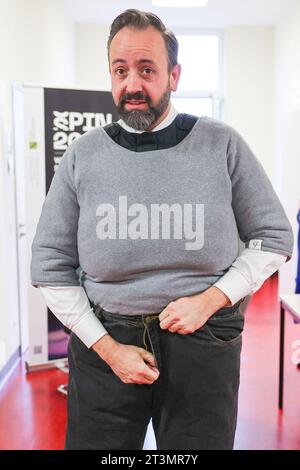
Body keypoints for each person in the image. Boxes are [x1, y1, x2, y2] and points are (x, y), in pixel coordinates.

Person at [30, 9, 294, 450]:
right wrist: (110, 350)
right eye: (120, 70)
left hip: (204, 340)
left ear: (174, 75)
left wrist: (212, 300)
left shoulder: (221, 144)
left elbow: (274, 237)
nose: (132, 85)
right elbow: (49, 265)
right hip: (105, 343)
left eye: (147, 69)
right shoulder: (82, 156)